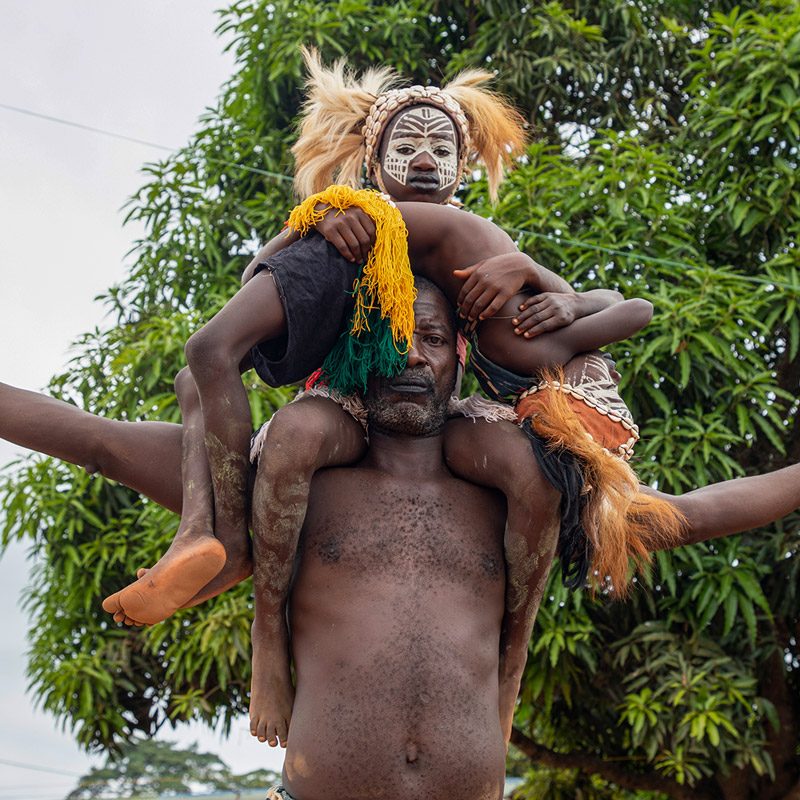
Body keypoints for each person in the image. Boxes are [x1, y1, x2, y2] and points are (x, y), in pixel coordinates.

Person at [262, 279, 800, 800]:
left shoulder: (519, 498)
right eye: (390, 337)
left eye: (432, 339)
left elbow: (692, 514)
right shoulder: (302, 486)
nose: (411, 357)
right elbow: (194, 471)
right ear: (357, 355)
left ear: (462, 357)